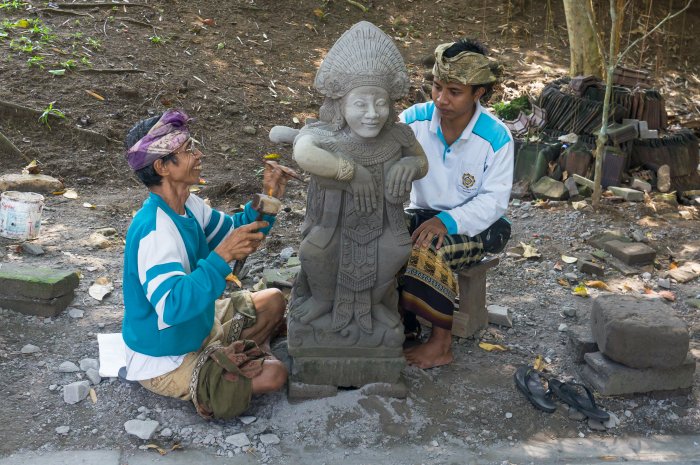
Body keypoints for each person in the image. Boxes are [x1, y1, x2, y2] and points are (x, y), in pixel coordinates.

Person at [121, 108, 288, 419]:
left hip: (201, 324)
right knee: (275, 375)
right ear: (162, 166)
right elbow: (172, 307)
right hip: (167, 358)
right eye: (187, 150)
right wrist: (221, 256)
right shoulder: (154, 229)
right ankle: (228, 364)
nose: (198, 154)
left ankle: (233, 355)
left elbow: (237, 232)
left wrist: (268, 198)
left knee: (274, 300)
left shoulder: (188, 204)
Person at [399, 38, 514, 369]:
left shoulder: (496, 136)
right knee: (382, 236)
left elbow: (493, 202)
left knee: (430, 248)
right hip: (422, 213)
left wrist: (446, 222)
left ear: (478, 93)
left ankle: (440, 343)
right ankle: (403, 326)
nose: (440, 99)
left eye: (454, 91)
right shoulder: (413, 121)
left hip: (481, 226)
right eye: (436, 87)